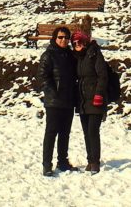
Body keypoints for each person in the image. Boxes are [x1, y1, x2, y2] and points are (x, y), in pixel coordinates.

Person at [38, 26, 79, 176]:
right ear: (55, 38)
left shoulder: (70, 55)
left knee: (65, 133)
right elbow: (43, 77)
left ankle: (62, 161)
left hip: (68, 100)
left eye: (66, 38)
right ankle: (47, 165)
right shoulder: (48, 55)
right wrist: (53, 93)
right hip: (54, 101)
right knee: (51, 133)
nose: (63, 40)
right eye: (60, 37)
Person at [71, 29, 108, 174]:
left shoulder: (94, 53)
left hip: (95, 99)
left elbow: (102, 76)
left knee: (93, 131)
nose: (77, 45)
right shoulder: (78, 57)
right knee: (86, 132)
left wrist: (99, 94)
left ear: (85, 42)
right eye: (74, 43)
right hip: (83, 100)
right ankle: (90, 160)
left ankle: (95, 162)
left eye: (79, 42)